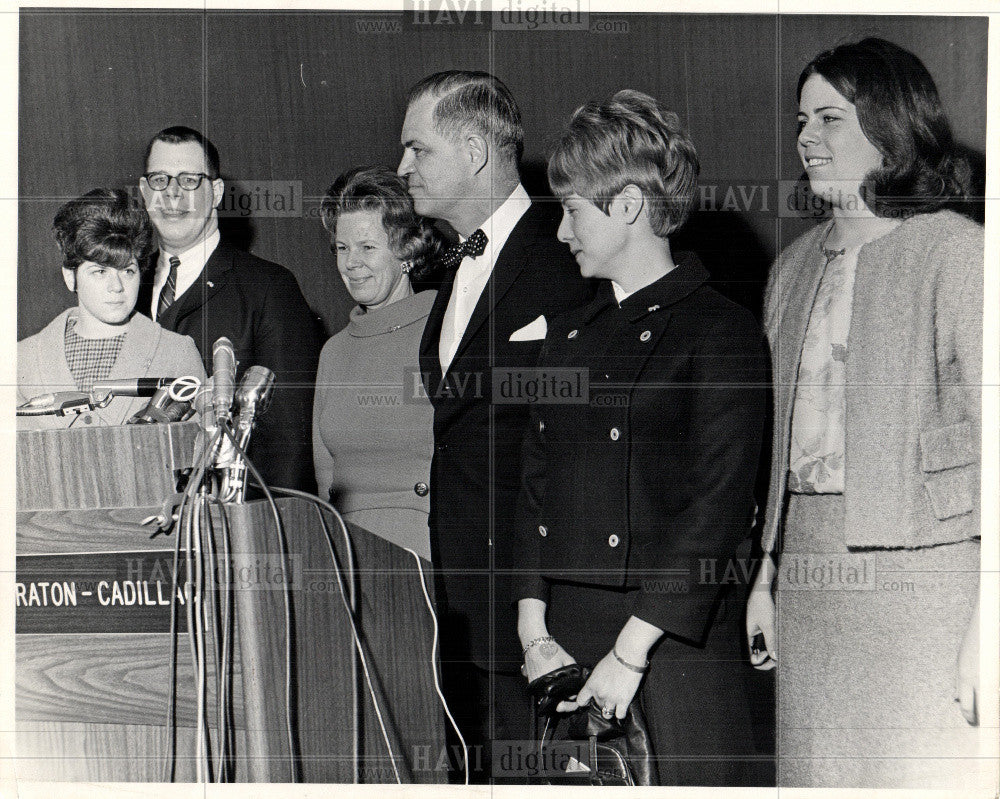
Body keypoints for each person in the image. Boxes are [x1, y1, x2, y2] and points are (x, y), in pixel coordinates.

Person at [745, 38, 986, 789]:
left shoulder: (960, 254)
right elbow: (775, 453)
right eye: (800, 121)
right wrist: (763, 576)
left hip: (929, 585)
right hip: (809, 584)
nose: (806, 138)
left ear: (890, 126)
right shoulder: (791, 268)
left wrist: (991, 628)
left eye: (830, 119)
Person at [513, 90, 768, 786]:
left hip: (668, 647)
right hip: (565, 642)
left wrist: (629, 654)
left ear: (626, 206)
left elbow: (715, 512)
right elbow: (534, 493)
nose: (561, 232)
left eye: (571, 210)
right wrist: (533, 632)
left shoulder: (722, 331)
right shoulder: (566, 334)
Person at [396, 70, 595, 781]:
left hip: (540, 607)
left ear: (475, 151)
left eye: (417, 150)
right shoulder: (455, 262)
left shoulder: (567, 251)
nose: (403, 168)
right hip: (462, 602)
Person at [138, 126, 323, 492]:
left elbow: (290, 445)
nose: (172, 193)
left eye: (189, 180)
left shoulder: (269, 288)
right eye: (160, 179)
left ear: (217, 192)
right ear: (144, 192)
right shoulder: (121, 290)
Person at [313, 166, 442, 559]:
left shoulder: (444, 328)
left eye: (367, 248)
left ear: (406, 251)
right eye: (341, 248)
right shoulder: (333, 351)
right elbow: (325, 481)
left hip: (425, 552)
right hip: (347, 554)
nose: (351, 263)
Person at [17, 188, 205, 429]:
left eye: (128, 271)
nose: (116, 287)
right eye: (99, 271)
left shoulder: (177, 353)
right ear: (70, 277)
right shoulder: (22, 360)